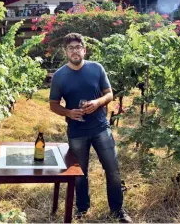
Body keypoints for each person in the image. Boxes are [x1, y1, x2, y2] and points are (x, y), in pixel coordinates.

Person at [49, 33, 132, 223]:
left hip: (101, 128)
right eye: (71, 48)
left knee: (113, 170)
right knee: (80, 173)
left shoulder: (97, 68)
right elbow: (53, 104)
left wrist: (98, 102)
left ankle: (118, 210)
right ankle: (82, 209)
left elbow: (109, 94)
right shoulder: (60, 76)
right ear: (66, 52)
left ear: (84, 50)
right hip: (77, 132)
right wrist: (69, 113)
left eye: (78, 47)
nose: (75, 51)